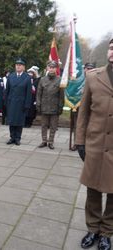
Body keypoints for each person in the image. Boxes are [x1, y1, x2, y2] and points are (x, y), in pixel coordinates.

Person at [75, 39, 113, 250]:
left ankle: (107, 232)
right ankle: (93, 229)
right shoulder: (93, 77)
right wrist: (80, 141)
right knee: (93, 191)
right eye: (111, 46)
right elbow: (84, 113)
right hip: (95, 144)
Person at [36, 60, 64, 150]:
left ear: (56, 69)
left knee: (53, 126)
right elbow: (39, 94)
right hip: (44, 106)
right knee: (43, 125)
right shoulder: (42, 79)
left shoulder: (59, 80)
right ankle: (44, 141)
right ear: (47, 68)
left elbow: (61, 95)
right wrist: (38, 105)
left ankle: (51, 142)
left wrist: (60, 106)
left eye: (53, 68)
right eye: (50, 67)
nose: (51, 69)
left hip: (54, 107)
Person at [5, 58, 32, 145]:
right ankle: (12, 137)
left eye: (20, 65)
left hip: (21, 103)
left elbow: (28, 93)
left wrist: (27, 105)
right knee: (11, 121)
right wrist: (6, 102)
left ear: (23, 67)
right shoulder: (11, 76)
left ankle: (17, 138)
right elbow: (7, 91)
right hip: (11, 102)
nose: (18, 66)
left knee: (19, 122)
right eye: (17, 65)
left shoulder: (27, 78)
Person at [70, 62, 96, 151]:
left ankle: (87, 143)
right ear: (84, 69)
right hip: (78, 106)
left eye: (91, 69)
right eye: (87, 69)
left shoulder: (96, 80)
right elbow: (73, 91)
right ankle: (76, 143)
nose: (88, 70)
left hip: (91, 108)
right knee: (77, 126)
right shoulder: (78, 80)